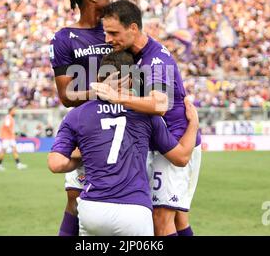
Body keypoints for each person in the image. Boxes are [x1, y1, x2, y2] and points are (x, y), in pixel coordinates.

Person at [48, 51, 199, 236]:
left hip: (92, 208)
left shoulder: (77, 114)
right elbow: (181, 158)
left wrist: (85, 155)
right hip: (134, 210)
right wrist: (194, 125)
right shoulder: (146, 115)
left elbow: (56, 164)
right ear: (131, 79)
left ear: (98, 77)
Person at [92, 0, 202, 236]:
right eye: (106, 32)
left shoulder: (155, 60)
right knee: (178, 218)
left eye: (113, 33)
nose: (108, 39)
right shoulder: (133, 54)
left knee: (160, 220)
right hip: (159, 143)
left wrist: (117, 96)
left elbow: (160, 103)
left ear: (133, 28)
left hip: (175, 142)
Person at [49, 0, 114, 236]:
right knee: (75, 198)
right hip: (86, 128)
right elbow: (66, 95)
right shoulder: (65, 37)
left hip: (123, 123)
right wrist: (102, 92)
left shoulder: (115, 30)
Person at [0, 107, 28, 171]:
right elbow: (7, 126)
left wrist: (12, 134)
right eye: (14, 110)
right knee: (3, 150)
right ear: (10, 111)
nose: (15, 112)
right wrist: (12, 133)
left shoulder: (10, 118)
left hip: (10, 137)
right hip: (6, 137)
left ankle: (18, 164)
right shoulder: (8, 117)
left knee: (14, 150)